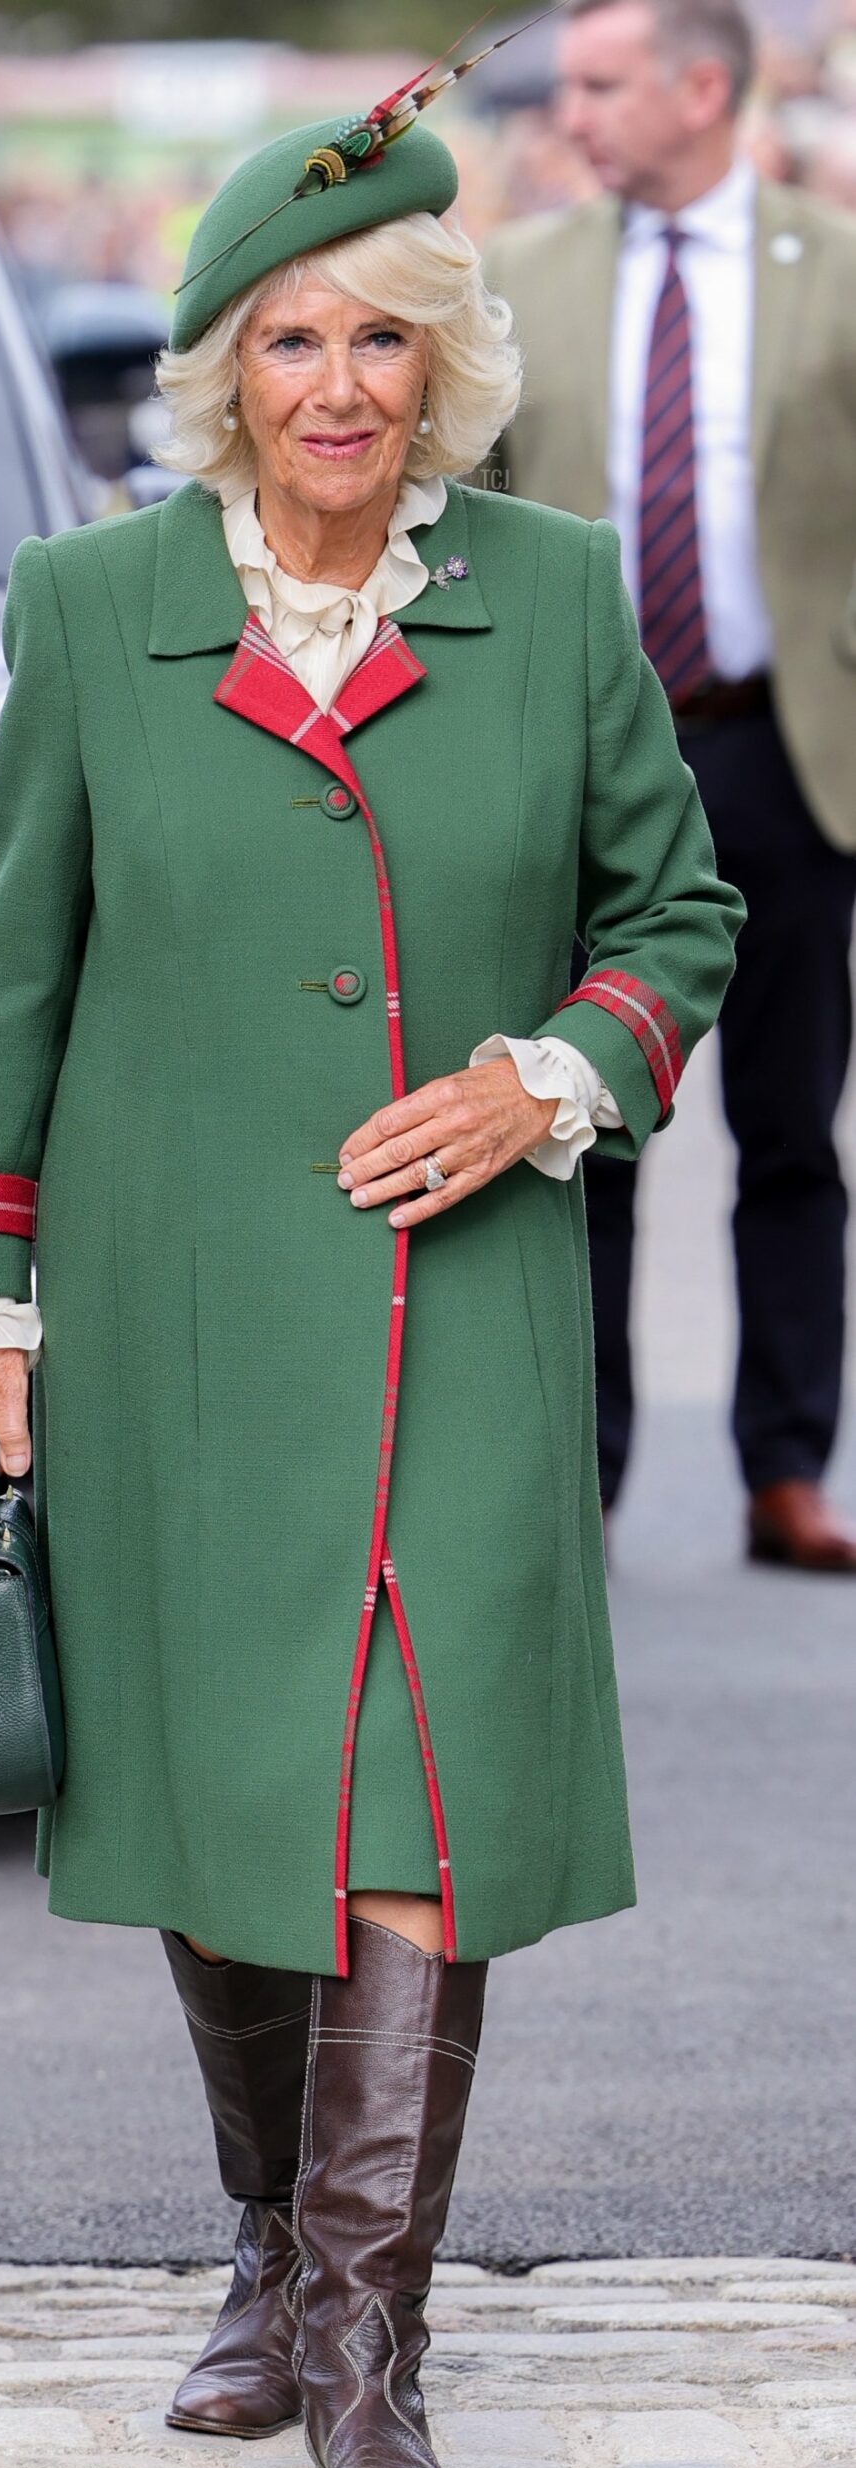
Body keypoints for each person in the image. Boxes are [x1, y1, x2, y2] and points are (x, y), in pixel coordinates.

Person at [0, 103, 741, 2468]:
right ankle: (268, 2247)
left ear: (447, 361)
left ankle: (371, 2343)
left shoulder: (559, 591)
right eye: (289, 336)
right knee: (221, 1804)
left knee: (414, 1818)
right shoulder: (92, 609)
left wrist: (539, 1081)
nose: (338, 382)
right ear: (222, 371)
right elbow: (20, 975)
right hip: (173, 1326)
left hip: (457, 1316)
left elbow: (675, 924)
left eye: (384, 333)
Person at [489, 0, 856, 1569]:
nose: (568, 113)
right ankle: (583, 1471)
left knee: (790, 1130)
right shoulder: (521, 279)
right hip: (587, 766)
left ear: (704, 88)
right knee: (582, 1122)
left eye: (599, 82)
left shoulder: (834, 269)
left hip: (785, 752)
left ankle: (787, 1470)